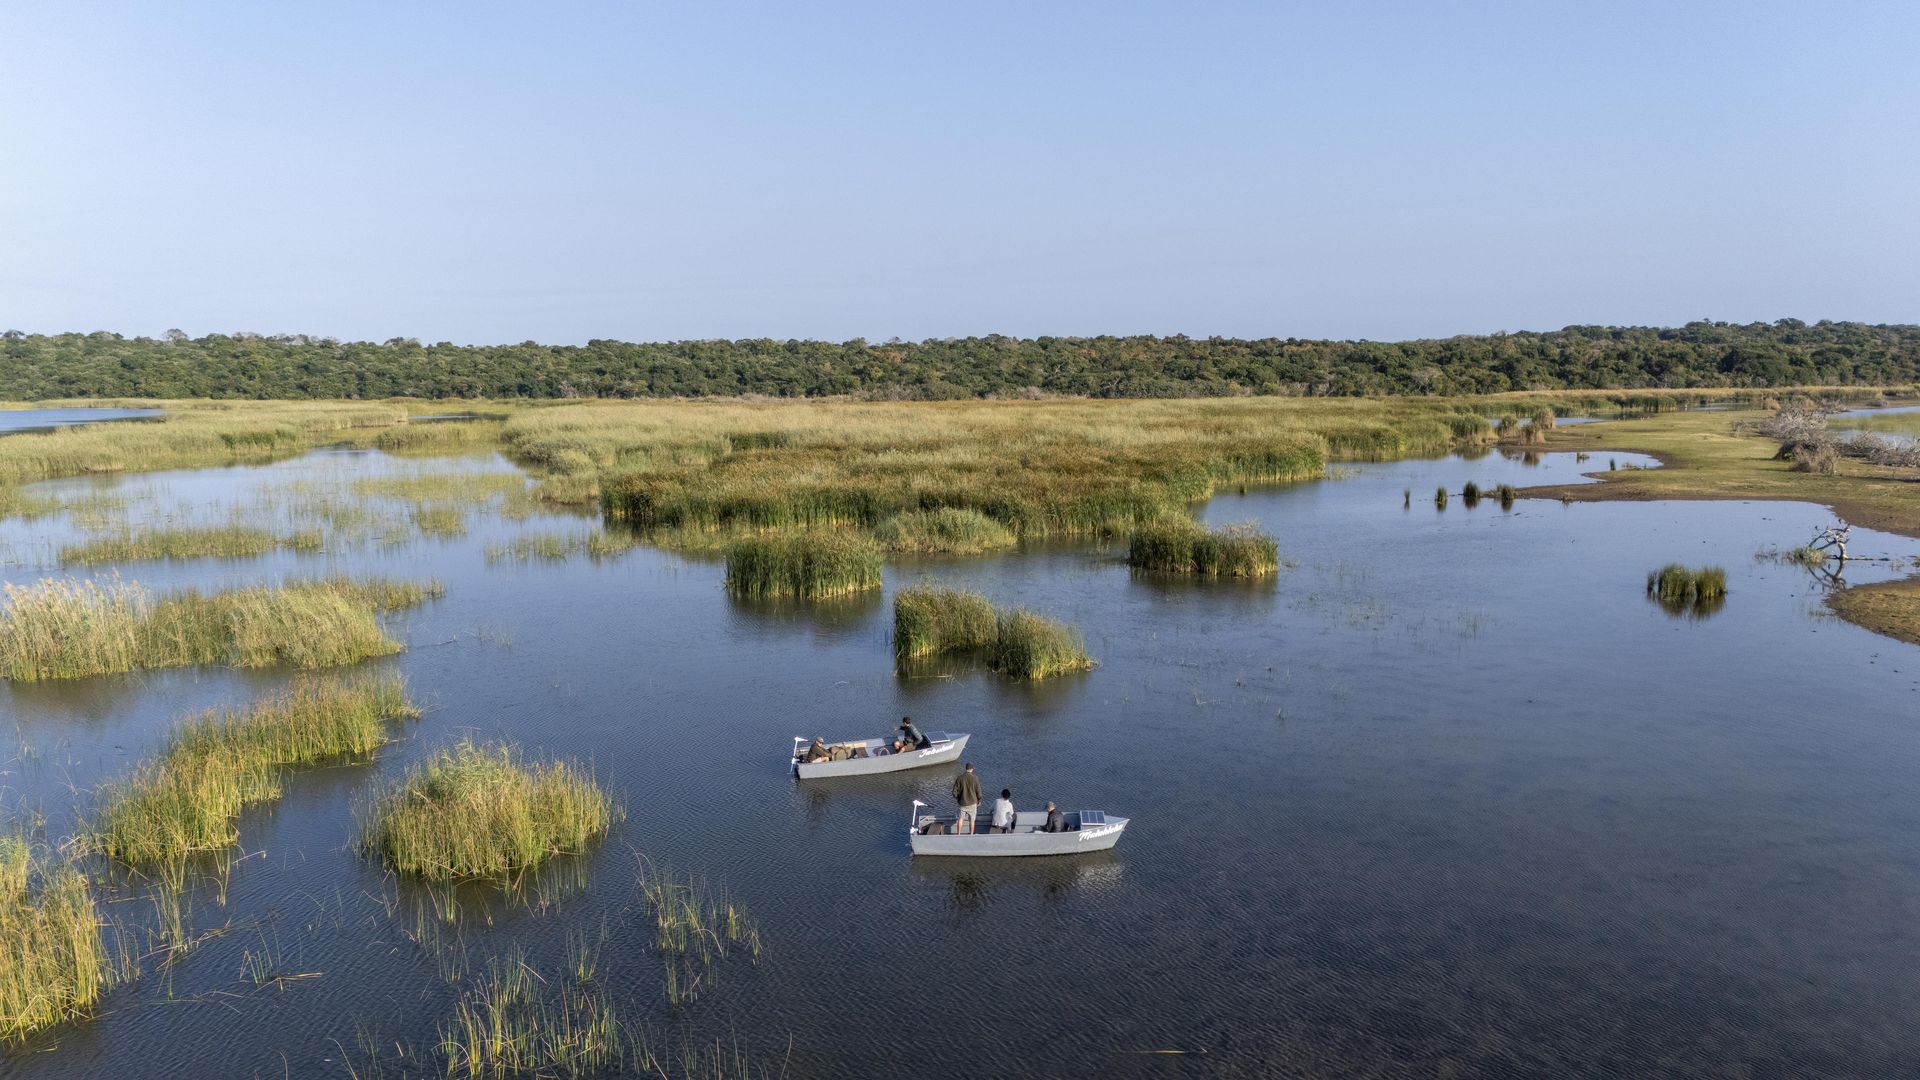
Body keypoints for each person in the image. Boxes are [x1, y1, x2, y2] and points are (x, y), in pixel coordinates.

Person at [952, 762, 982, 835]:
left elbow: (954, 792)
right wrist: (979, 799)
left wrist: (958, 798)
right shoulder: (975, 778)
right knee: (972, 820)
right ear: (972, 769)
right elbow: (979, 791)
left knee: (961, 819)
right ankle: (971, 834)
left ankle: (958, 834)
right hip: (972, 803)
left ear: (966, 769)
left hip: (962, 803)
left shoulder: (959, 778)